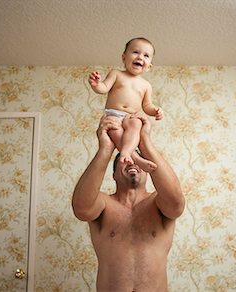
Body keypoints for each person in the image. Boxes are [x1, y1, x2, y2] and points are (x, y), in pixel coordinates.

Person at [72, 114, 185, 292]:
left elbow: (177, 203)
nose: (132, 163)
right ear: (114, 175)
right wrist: (106, 149)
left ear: (148, 172)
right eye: (125, 161)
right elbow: (81, 209)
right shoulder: (103, 203)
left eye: (138, 161)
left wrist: (144, 141)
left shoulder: (159, 202)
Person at [88, 37, 163, 173]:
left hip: (130, 117)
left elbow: (147, 106)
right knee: (116, 132)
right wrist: (97, 85)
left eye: (146, 55)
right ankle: (134, 157)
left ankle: (127, 152)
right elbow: (104, 88)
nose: (140, 57)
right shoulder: (116, 74)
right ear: (124, 57)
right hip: (113, 115)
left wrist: (155, 111)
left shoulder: (146, 85)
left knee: (137, 124)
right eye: (135, 52)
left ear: (149, 66)